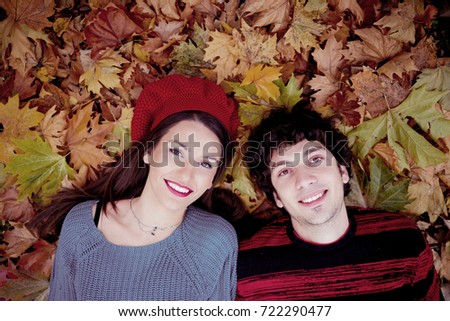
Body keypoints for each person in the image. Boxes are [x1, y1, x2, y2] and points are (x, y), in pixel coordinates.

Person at [27, 74, 240, 301]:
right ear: (148, 152)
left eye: (206, 163)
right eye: (176, 152)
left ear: (212, 180)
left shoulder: (216, 242)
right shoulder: (83, 227)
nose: (186, 173)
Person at [237, 104, 441, 300]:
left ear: (342, 171)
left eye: (315, 159)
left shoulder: (404, 241)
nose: (304, 179)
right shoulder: (247, 268)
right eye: (284, 171)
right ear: (277, 197)